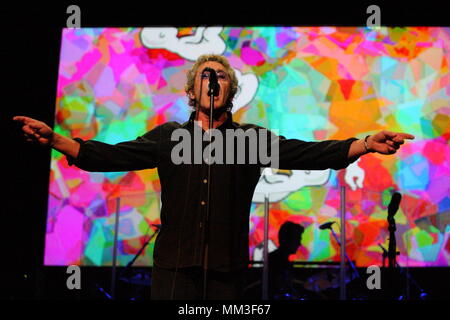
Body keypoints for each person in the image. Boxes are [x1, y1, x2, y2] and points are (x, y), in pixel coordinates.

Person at [13, 54, 415, 300]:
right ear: (191, 92)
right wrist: (56, 139)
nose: (213, 81)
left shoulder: (251, 139)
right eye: (205, 77)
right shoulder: (169, 137)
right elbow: (109, 155)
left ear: (231, 91)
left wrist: (364, 142)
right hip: (172, 271)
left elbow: (310, 152)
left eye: (221, 77)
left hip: (227, 273)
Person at [268, 221, 304, 300]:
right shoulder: (275, 260)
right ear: (287, 239)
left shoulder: (281, 259)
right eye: (297, 239)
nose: (299, 243)